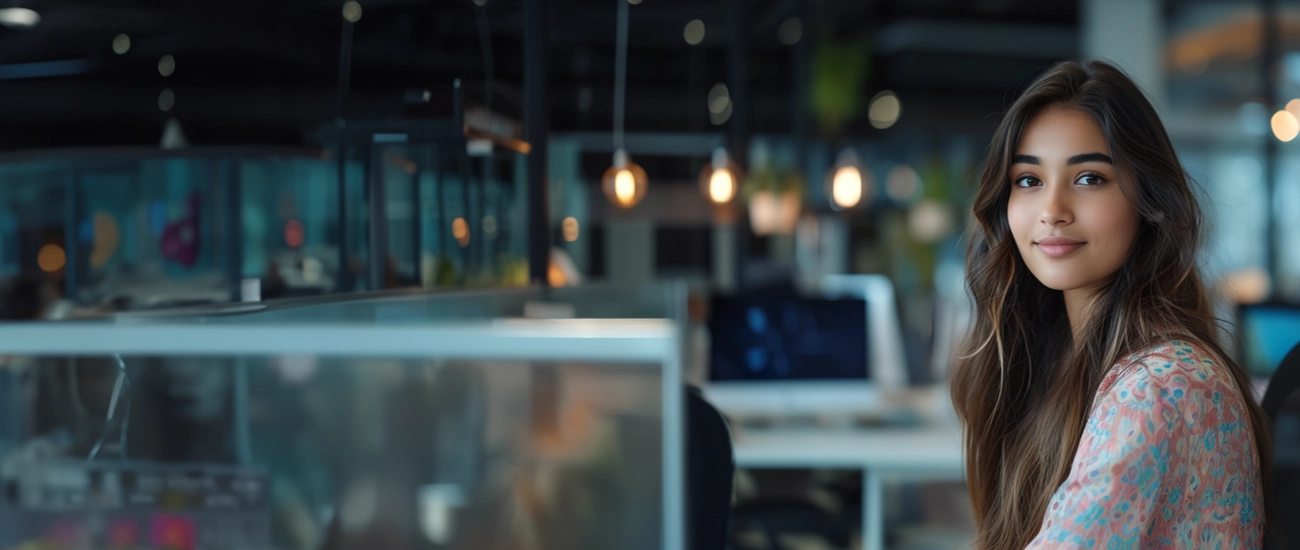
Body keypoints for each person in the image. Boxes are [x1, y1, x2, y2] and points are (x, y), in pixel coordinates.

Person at [949, 60, 1272, 549]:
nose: (1053, 210)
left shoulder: (1160, 385)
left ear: (1149, 197)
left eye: (1089, 178)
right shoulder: (1068, 363)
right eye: (1029, 181)